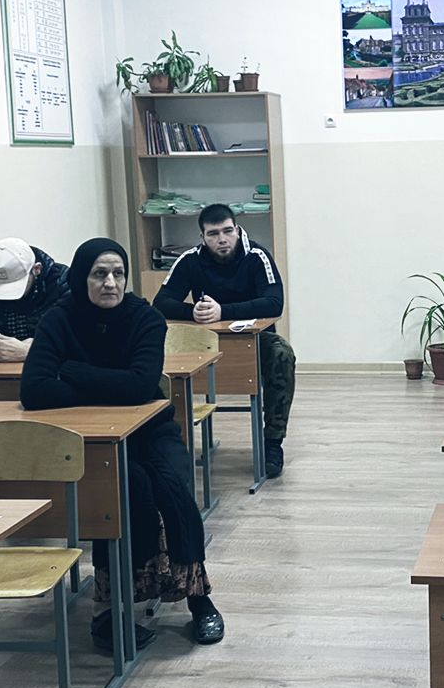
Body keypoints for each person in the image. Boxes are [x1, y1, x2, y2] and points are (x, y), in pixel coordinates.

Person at [22, 238, 224, 648]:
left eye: (118, 274)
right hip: (88, 436)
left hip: (150, 429)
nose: (110, 283)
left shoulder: (144, 318)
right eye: (100, 274)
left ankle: (199, 598)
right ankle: (108, 611)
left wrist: (72, 371)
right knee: (116, 493)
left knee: (173, 486)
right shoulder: (58, 319)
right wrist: (111, 386)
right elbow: (34, 391)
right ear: (82, 277)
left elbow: (140, 387)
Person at [154, 205, 294, 479]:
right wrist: (191, 312)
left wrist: (224, 311)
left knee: (282, 354)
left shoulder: (257, 256)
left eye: (228, 231)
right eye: (213, 234)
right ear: (203, 237)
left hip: (255, 340)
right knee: (159, 358)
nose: (222, 239)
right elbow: (161, 302)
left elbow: (274, 303)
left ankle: (272, 443)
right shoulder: (190, 259)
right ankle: (172, 444)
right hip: (205, 341)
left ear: (237, 230)